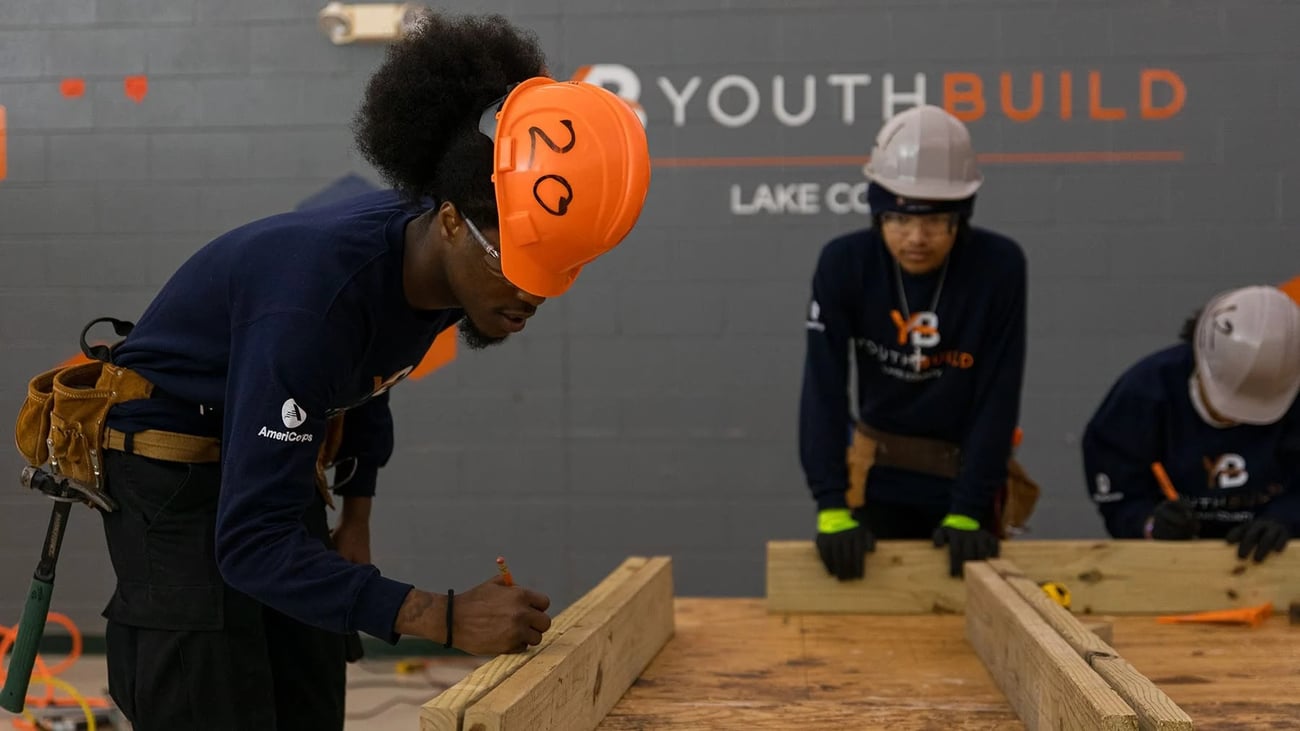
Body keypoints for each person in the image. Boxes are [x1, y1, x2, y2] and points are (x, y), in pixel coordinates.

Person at [13, 12, 650, 731]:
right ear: (448, 223)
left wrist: (357, 517)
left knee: (308, 672)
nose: (531, 295)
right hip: (170, 465)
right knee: (212, 693)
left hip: (253, 432)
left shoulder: (442, 269)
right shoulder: (312, 304)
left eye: (552, 275)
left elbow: (368, 377)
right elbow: (250, 541)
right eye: (517, 266)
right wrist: (440, 616)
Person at [799, 104, 1031, 581]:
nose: (916, 238)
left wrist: (969, 508)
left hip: (964, 477)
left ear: (960, 218)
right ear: (877, 214)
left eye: (935, 221)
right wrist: (831, 506)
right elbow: (822, 389)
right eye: (898, 220)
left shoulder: (998, 267)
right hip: (876, 478)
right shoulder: (844, 264)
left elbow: (999, 391)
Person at [1082, 285, 1300, 561]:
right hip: (1171, 564)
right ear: (1201, 361)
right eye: (1228, 407)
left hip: (1273, 560)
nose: (1239, 419)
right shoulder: (1141, 398)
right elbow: (1118, 497)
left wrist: (1286, 519)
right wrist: (1149, 524)